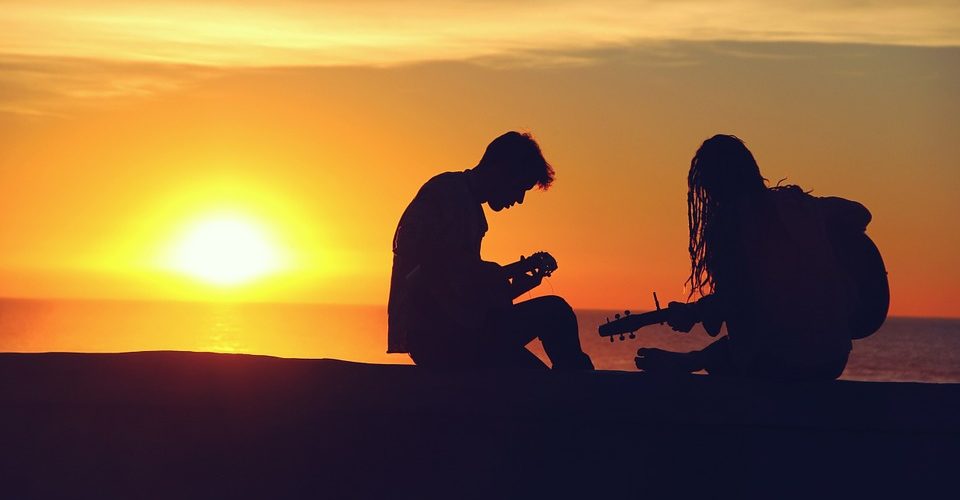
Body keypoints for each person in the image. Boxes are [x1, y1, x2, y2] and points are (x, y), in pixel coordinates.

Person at [635, 134, 873, 380]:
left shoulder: (730, 225)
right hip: (832, 357)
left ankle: (687, 361)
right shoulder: (797, 205)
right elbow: (860, 213)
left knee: (732, 351)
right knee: (738, 343)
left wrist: (696, 313)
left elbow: (739, 298)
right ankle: (690, 359)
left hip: (780, 362)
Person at [387, 131, 594, 371]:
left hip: (454, 336)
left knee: (542, 377)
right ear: (500, 170)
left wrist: (510, 288)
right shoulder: (446, 194)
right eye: (519, 187)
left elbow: (463, 293)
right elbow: (429, 277)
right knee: (555, 312)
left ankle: (577, 391)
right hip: (442, 340)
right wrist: (494, 276)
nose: (519, 199)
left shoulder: (464, 203)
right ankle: (584, 395)